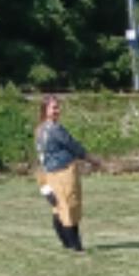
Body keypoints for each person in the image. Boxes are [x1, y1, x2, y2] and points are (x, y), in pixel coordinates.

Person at [35, 95, 90, 252]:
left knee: (58, 207)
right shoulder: (54, 129)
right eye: (53, 108)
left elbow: (41, 157)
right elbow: (73, 146)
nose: (57, 111)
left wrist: (44, 185)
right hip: (63, 172)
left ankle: (67, 243)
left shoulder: (40, 129)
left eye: (58, 107)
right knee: (69, 207)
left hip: (51, 173)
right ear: (45, 110)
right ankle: (75, 245)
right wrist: (91, 158)